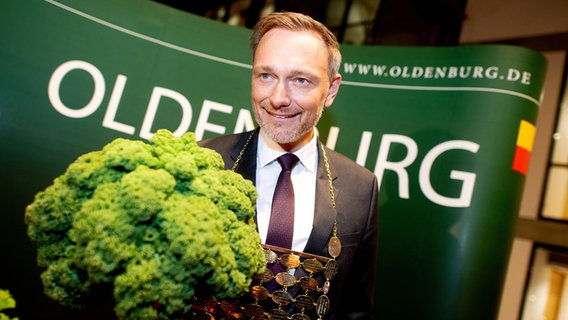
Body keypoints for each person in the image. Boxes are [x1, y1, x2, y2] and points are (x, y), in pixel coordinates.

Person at [199, 11, 378, 320]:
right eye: (265, 75)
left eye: (300, 80)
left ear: (331, 90)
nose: (278, 98)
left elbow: (355, 309)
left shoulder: (360, 187)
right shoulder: (203, 162)